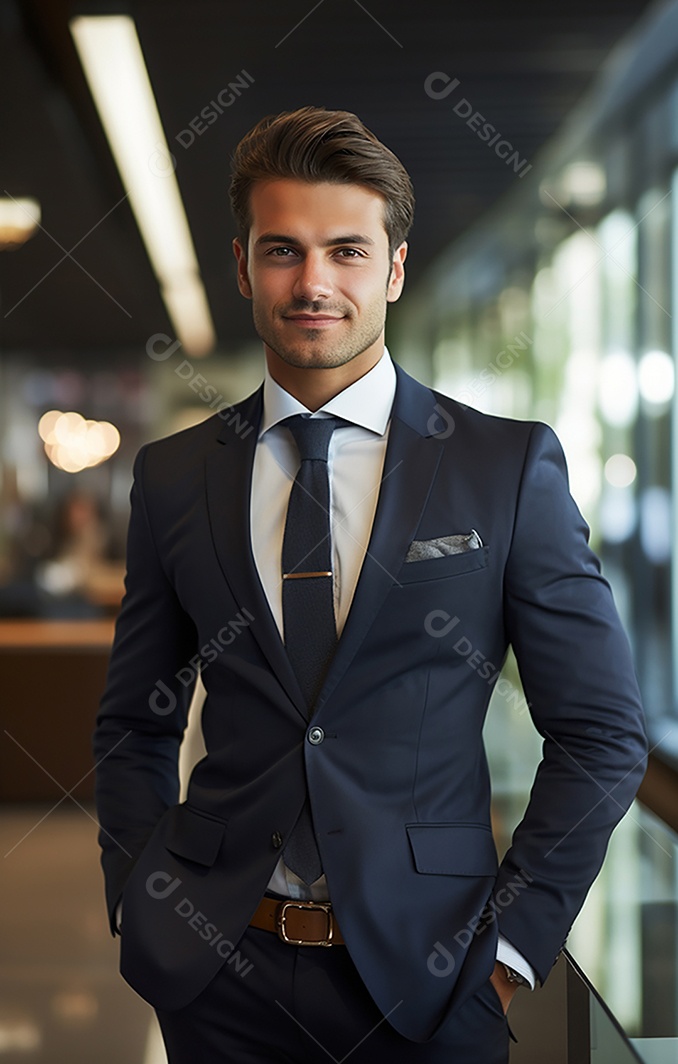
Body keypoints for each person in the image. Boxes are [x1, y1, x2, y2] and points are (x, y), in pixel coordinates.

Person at [93, 106, 647, 1063]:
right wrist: (140, 905)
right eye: (283, 251)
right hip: (220, 978)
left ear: (392, 269)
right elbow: (135, 721)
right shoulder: (176, 477)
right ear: (242, 269)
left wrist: (512, 950)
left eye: (346, 250)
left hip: (434, 988)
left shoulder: (503, 468)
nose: (314, 282)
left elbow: (602, 733)